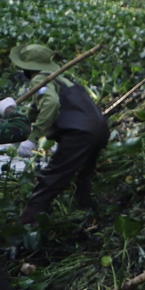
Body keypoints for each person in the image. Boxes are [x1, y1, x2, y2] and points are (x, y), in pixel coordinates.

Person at [9, 44, 109, 224]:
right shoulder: (59, 79)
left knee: (50, 179)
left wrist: (32, 139)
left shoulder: (39, 79)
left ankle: (27, 228)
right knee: (83, 173)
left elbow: (51, 104)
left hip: (78, 134)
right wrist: (16, 124)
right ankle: (88, 213)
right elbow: (35, 109)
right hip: (100, 129)